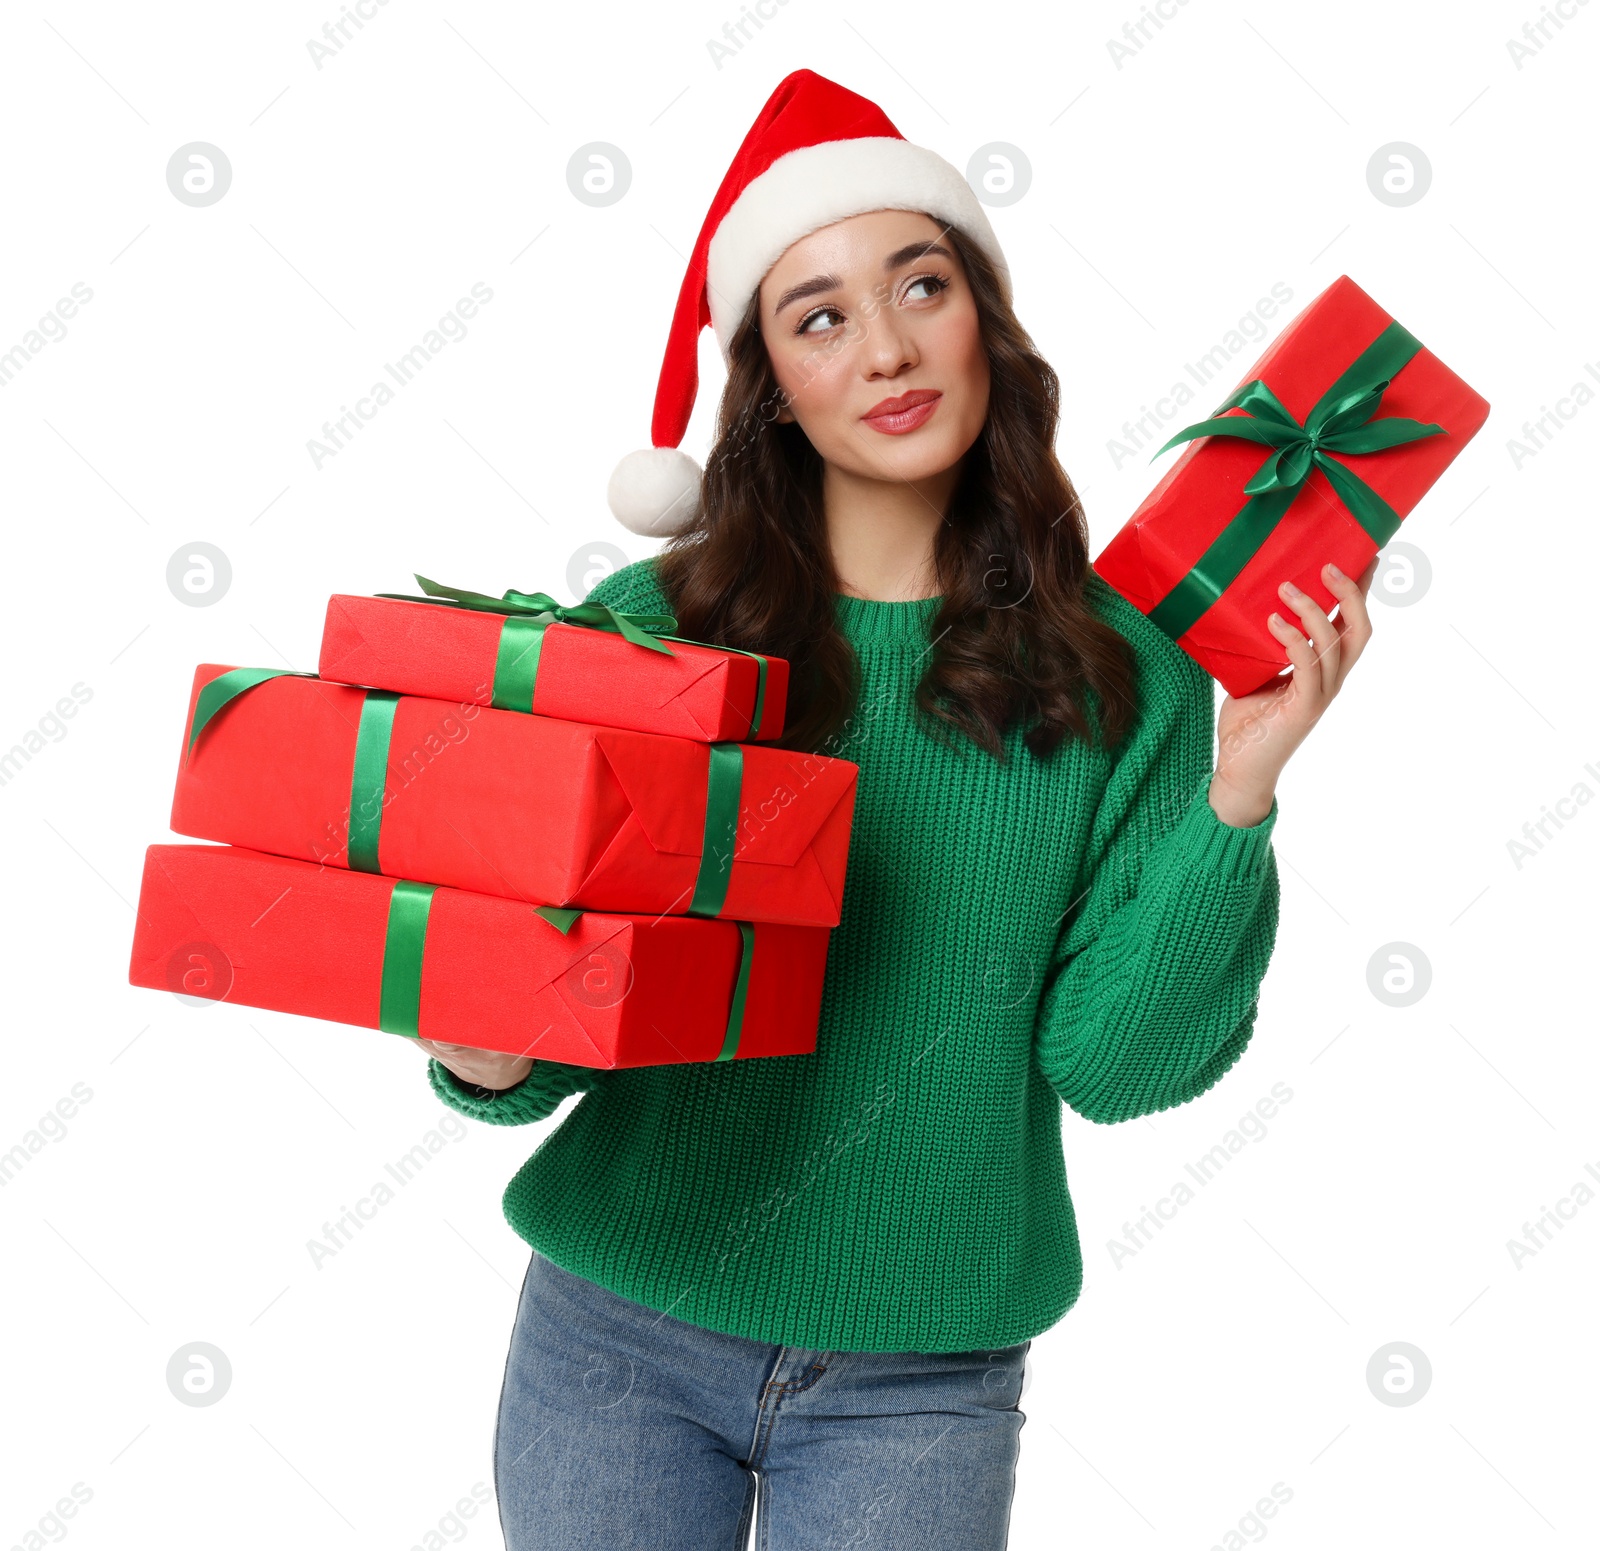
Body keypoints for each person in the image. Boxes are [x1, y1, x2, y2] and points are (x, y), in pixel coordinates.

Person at [417, 69, 1372, 1550]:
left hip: (921, 1377)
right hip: (615, 1335)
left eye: (919, 285)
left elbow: (1116, 1069)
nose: (885, 348)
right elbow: (535, 1036)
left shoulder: (1132, 684)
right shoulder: (641, 634)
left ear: (982, 319)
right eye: (819, 315)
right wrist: (479, 1050)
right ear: (769, 382)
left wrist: (1237, 796)